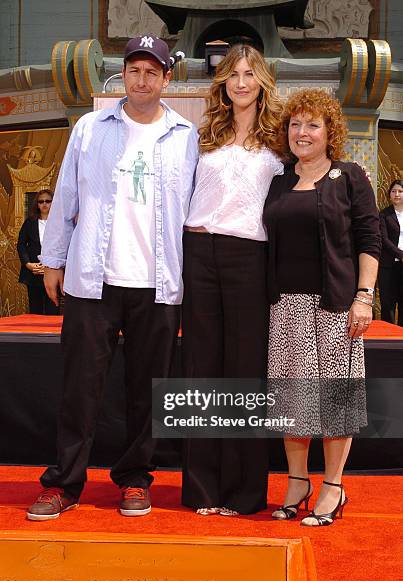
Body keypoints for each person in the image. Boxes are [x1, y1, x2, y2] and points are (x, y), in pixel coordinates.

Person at [26, 34, 198, 521]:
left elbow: (192, 212)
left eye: (152, 72)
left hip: (158, 282)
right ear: (123, 73)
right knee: (80, 388)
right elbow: (66, 198)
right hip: (91, 280)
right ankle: (64, 482)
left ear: (167, 78)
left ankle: (136, 478)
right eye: (134, 70)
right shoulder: (90, 127)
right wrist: (53, 261)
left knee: (147, 389)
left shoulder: (186, 137)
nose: (142, 80)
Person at [263, 88, 380, 526]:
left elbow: (370, 241)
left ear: (330, 131)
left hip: (335, 307)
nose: (302, 132)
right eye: (295, 124)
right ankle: (297, 481)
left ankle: (332, 485)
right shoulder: (277, 180)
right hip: (285, 307)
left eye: (312, 124)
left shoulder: (350, 177)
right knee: (293, 401)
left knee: (334, 401)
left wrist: (363, 297)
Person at [181, 44, 284, 516]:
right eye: (232, 74)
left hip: (250, 257)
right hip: (199, 252)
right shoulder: (204, 135)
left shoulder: (281, 140)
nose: (241, 82)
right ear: (221, 82)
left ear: (262, 80)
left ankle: (245, 494)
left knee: (245, 373)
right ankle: (202, 490)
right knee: (202, 369)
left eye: (249, 73)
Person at [17, 190, 59, 315]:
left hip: (53, 271)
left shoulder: (60, 223)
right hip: (34, 272)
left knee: (53, 308)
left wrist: (52, 266)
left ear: (53, 202)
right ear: (37, 204)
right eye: (41, 201)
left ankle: (53, 335)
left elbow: (65, 246)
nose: (44, 204)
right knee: (35, 310)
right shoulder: (30, 222)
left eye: (48, 201)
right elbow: (21, 245)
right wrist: (28, 264)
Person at [378, 179, 403, 326]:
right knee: (388, 304)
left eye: (400, 191)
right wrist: (400, 255)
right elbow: (384, 240)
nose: (397, 194)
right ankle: (389, 339)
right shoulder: (384, 215)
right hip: (388, 266)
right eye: (393, 191)